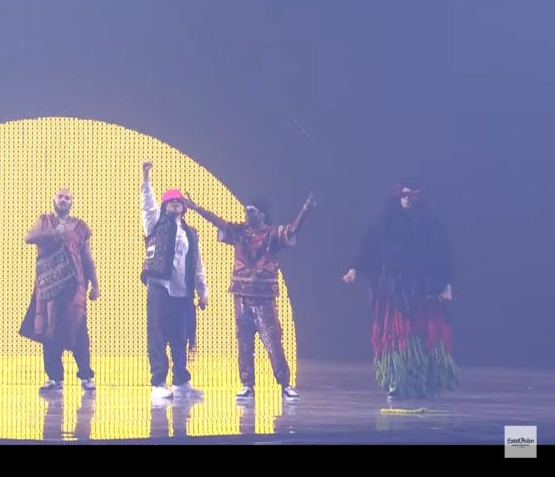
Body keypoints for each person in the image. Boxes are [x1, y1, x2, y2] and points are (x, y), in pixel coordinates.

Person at [184, 189, 315, 403]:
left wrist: (305, 209)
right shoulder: (239, 232)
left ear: (261, 215)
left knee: (273, 341)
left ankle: (285, 385)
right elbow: (218, 222)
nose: (248, 214)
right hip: (242, 297)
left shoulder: (272, 235)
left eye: (253, 211)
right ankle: (247, 385)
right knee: (244, 342)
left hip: (264, 298)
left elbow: (292, 229)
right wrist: (197, 208)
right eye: (247, 211)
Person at [344, 182, 457, 399]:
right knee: (396, 335)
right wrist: (354, 269)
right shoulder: (385, 224)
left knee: (424, 336)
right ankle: (397, 380)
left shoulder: (430, 225)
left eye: (412, 196)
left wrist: (447, 286)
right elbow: (369, 249)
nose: (407, 199)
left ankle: (425, 381)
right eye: (404, 195)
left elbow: (443, 255)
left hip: (423, 290)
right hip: (394, 292)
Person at [19, 189, 100, 393]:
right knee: (49, 331)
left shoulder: (81, 227)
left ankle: (86, 376)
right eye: (60, 197)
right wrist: (55, 233)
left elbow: (87, 257)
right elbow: (29, 238)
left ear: (72, 202)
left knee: (78, 330)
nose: (63, 200)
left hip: (74, 287)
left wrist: (95, 285)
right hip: (48, 286)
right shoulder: (44, 221)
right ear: (54, 200)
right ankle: (54, 378)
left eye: (67, 198)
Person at [141, 161, 208, 402]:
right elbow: (147, 205)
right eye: (171, 202)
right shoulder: (155, 222)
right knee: (158, 333)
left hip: (183, 291)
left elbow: (197, 264)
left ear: (184, 207)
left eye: (178, 202)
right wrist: (146, 178)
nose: (175, 204)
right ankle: (158, 383)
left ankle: (181, 381)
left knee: (181, 336)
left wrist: (203, 291)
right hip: (160, 286)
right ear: (164, 206)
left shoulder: (191, 233)